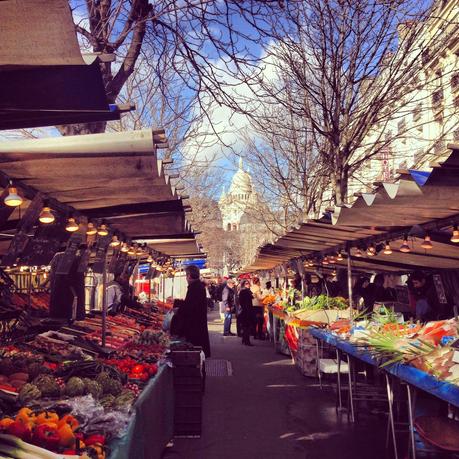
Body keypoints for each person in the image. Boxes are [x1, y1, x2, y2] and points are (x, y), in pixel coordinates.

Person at [175, 265, 211, 357]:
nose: (186, 278)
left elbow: (189, 307)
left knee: (196, 351)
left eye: (186, 275)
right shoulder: (198, 286)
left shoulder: (195, 288)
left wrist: (177, 305)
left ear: (189, 276)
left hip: (195, 326)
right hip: (198, 324)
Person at [238, 280, 254, 346]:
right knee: (247, 326)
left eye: (248, 283)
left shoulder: (243, 291)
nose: (248, 284)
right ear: (243, 284)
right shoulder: (245, 291)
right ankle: (247, 341)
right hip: (246, 311)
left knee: (245, 326)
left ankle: (244, 339)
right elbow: (246, 302)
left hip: (245, 310)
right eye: (246, 283)